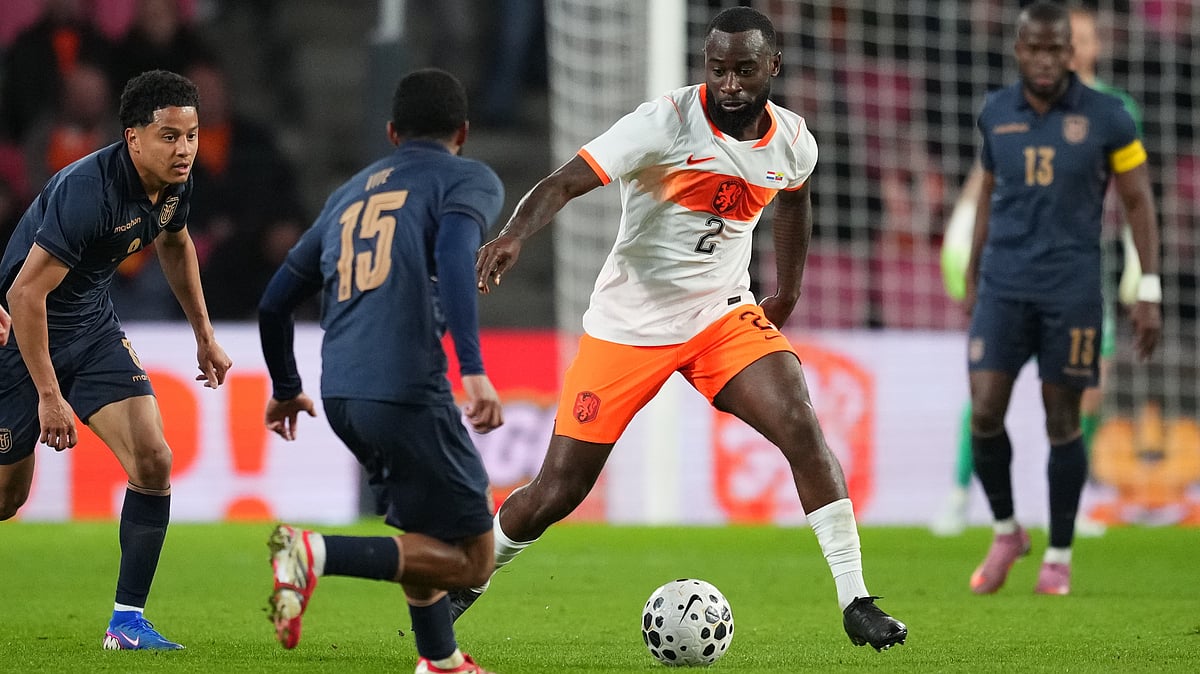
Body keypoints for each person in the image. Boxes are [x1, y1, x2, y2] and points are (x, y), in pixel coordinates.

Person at [457, 6, 907, 652]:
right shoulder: (664, 124)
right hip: (628, 326)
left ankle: (856, 598)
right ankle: (471, 577)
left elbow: (796, 196)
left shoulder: (793, 141)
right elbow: (561, 184)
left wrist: (788, 288)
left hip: (719, 315)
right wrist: (512, 237)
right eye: (718, 69)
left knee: (801, 423)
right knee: (557, 491)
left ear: (772, 67)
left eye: (744, 70)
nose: (729, 84)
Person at [257, 68, 505, 674]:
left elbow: (273, 302)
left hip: (340, 389)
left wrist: (286, 389)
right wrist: (472, 369)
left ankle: (440, 661)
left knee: (421, 529)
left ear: (393, 132)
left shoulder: (349, 193)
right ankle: (312, 552)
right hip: (405, 387)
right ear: (464, 132)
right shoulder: (467, 178)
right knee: (473, 560)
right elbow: (454, 253)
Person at [0, 69, 232, 649]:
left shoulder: (176, 184)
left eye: (192, 135)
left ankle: (126, 623)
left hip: (92, 329)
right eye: (170, 137)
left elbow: (175, 243)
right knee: (6, 499)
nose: (185, 150)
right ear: (133, 138)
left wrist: (203, 334)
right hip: (21, 337)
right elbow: (26, 294)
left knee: (154, 460)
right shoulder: (89, 192)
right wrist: (50, 397)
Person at [963, 1, 1161, 596]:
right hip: (1003, 285)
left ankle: (1059, 553)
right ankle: (1006, 531)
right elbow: (988, 195)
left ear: (1070, 54)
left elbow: (1138, 204)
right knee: (984, 413)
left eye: (1057, 49)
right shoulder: (995, 113)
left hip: (1071, 290)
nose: (1046, 59)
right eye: (1036, 48)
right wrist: (972, 275)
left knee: (1062, 421)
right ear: (1018, 50)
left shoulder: (1109, 117)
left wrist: (1146, 286)